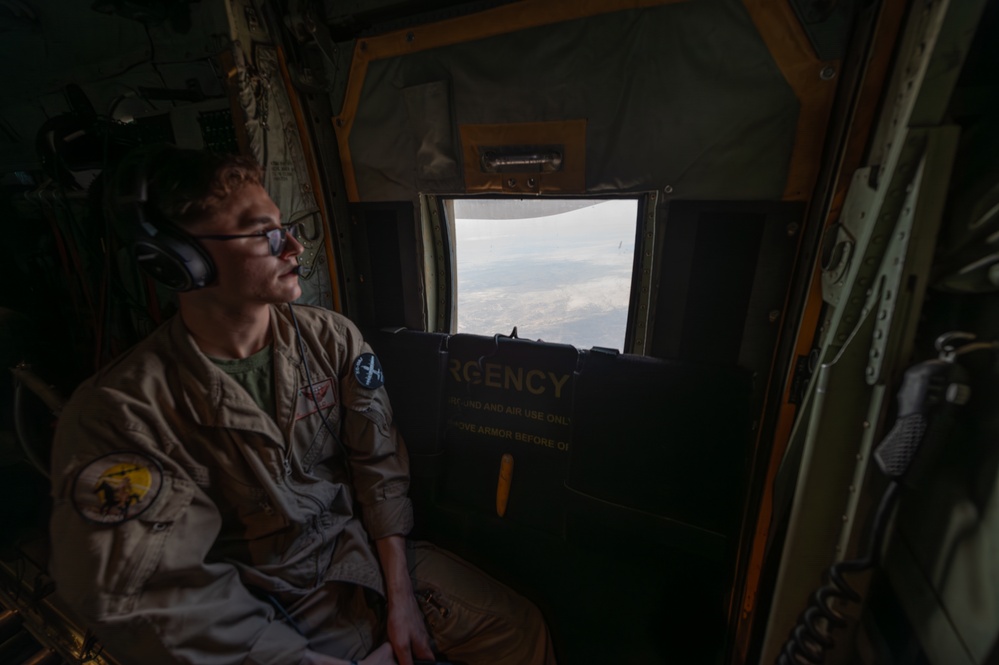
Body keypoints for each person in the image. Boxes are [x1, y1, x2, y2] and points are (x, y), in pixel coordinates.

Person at [48, 147, 556, 665]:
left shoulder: (332, 340)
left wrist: (400, 596)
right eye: (266, 234)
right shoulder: (122, 412)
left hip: (357, 558)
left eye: (286, 227)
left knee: (515, 630)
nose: (293, 246)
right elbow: (155, 596)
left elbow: (377, 467)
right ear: (185, 261)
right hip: (257, 600)